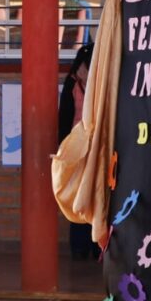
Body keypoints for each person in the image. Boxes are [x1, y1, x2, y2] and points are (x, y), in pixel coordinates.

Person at [58, 42, 101, 260]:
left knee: (94, 196)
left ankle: (95, 246)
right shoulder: (73, 84)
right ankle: (81, 246)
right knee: (80, 197)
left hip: (94, 147)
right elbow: (64, 118)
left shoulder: (100, 84)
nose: (83, 70)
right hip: (78, 149)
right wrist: (62, 149)